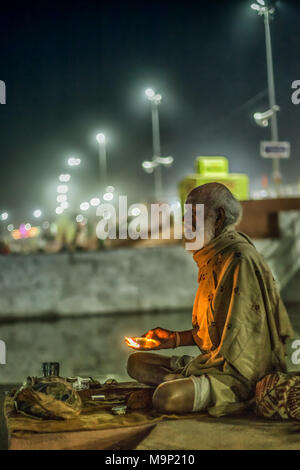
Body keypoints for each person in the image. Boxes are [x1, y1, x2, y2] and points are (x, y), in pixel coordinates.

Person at [127, 183, 294, 417]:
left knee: (166, 397)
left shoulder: (240, 259)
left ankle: (179, 386)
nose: (186, 224)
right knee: (136, 362)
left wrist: (206, 374)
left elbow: (246, 349)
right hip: (211, 363)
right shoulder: (213, 256)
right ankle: (180, 381)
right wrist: (172, 339)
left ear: (218, 218)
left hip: (239, 376)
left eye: (193, 216)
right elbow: (216, 332)